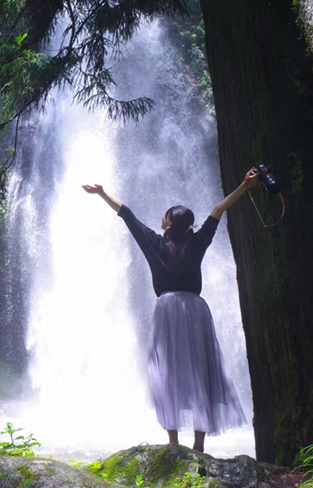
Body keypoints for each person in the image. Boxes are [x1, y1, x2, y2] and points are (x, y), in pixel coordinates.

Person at [82, 169, 259, 452]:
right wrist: (244, 186)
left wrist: (102, 193)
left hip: (166, 310)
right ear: (188, 226)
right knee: (201, 370)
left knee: (168, 372)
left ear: (167, 224)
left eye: (165, 217)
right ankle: (199, 445)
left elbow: (127, 215)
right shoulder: (197, 241)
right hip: (196, 310)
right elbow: (218, 209)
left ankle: (173, 444)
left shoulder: (155, 243)